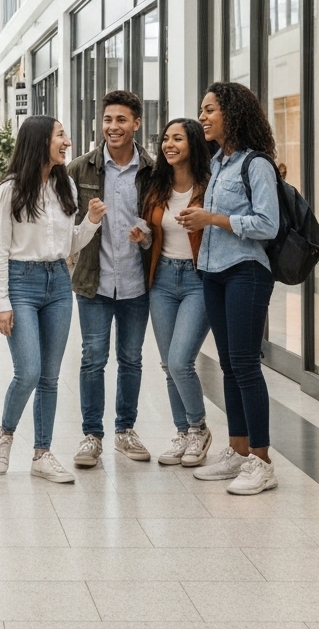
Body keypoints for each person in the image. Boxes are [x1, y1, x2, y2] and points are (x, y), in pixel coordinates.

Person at [177, 82, 281, 495]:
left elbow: (267, 224)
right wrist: (199, 220)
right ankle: (237, 451)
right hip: (214, 271)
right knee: (227, 365)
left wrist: (212, 219)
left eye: (209, 110)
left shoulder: (256, 165)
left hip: (246, 271)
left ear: (232, 113)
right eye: (201, 111)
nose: (202, 117)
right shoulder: (218, 162)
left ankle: (262, 459)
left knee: (246, 364)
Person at [0, 116, 104, 483]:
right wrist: (0, 303)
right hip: (21, 282)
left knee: (51, 377)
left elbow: (69, 246)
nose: (67, 142)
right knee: (29, 372)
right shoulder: (10, 189)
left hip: (58, 282)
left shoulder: (64, 183)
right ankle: (5, 434)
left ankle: (42, 453)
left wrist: (91, 222)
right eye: (60, 135)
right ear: (40, 141)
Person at [66, 90, 154, 469]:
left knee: (131, 360)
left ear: (136, 123)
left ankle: (125, 430)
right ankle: (91, 436)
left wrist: (145, 235)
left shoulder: (152, 171)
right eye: (107, 120)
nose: (112, 127)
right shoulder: (79, 169)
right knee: (93, 359)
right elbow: (63, 223)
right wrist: (87, 220)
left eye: (121, 120)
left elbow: (159, 223)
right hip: (94, 282)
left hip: (136, 281)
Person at [133, 118, 213, 467]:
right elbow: (153, 234)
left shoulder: (210, 186)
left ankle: (199, 429)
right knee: (169, 365)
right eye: (166, 138)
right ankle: (182, 433)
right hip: (163, 279)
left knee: (181, 360)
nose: (169, 144)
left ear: (193, 144)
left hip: (198, 280)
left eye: (177, 138)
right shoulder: (158, 186)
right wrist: (144, 238)